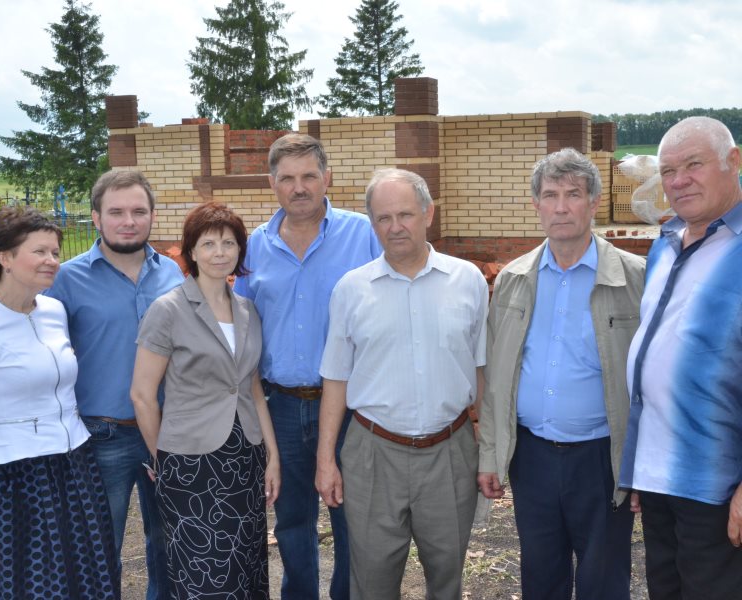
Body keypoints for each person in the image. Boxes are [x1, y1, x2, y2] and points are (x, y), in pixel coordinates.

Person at [477, 148, 645, 599]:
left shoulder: (635, 279)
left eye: (573, 194)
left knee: (604, 580)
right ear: (536, 205)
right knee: (541, 576)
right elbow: (497, 379)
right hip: (532, 459)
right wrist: (492, 455)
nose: (561, 206)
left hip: (601, 460)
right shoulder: (513, 279)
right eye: (550, 195)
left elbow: (650, 385)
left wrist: (640, 467)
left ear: (593, 201)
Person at [316, 168, 487, 599]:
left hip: (450, 451)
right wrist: (326, 461)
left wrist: (488, 449)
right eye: (383, 218)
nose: (395, 227)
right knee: (371, 582)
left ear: (428, 213)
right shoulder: (351, 290)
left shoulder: (467, 280)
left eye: (406, 214)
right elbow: (335, 379)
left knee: (447, 577)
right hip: (373, 454)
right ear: (371, 223)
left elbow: (482, 369)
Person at [234, 133, 380, 599]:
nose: (299, 188)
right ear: (272, 184)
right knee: (292, 519)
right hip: (279, 405)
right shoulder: (253, 247)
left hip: (352, 404)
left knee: (352, 516)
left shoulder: (364, 235)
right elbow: (240, 326)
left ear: (327, 178)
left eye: (309, 177)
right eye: (288, 179)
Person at [0, 207, 119, 598]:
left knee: (86, 579)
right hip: (16, 481)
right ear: (4, 258)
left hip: (74, 466)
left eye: (55, 252)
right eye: (39, 252)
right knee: (34, 586)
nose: (52, 261)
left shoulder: (54, 311)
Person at [619, 116, 742, 599]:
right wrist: (637, 468)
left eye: (694, 164)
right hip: (659, 479)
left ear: (734, 162)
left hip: (716, 481)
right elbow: (655, 352)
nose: (678, 181)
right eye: (668, 170)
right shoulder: (665, 246)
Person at [130, 202, 280, 598]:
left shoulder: (247, 310)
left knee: (245, 564)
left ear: (239, 251)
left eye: (228, 243)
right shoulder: (168, 310)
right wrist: (161, 456)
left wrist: (272, 457)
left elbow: (251, 389)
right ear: (191, 251)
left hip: (245, 457)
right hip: (190, 462)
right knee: (205, 572)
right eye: (208, 243)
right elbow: (143, 394)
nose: (219, 252)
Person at [46, 170, 183, 599]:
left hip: (169, 433)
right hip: (101, 435)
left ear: (152, 216)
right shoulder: (65, 280)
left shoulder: (175, 274)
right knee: (99, 549)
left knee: (170, 545)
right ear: (96, 218)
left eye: (139, 211)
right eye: (117, 212)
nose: (129, 220)